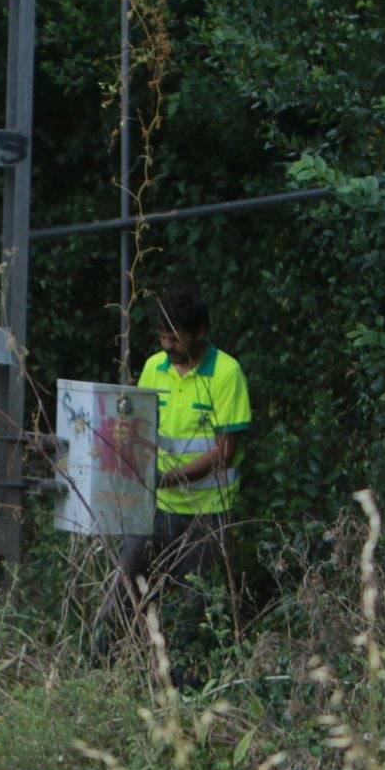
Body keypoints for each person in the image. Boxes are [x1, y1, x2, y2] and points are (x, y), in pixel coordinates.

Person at [110, 286, 250, 674]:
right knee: (124, 586)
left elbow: (224, 453)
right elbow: (137, 428)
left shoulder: (226, 373)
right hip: (156, 506)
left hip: (208, 514)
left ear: (200, 332)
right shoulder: (155, 367)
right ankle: (114, 670)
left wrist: (166, 478)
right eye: (162, 335)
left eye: (176, 337)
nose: (168, 345)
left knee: (196, 610)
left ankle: (190, 688)